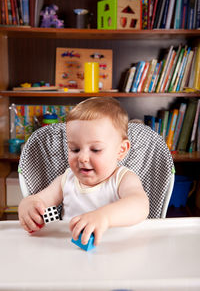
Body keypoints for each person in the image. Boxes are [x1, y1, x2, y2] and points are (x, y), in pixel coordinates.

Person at [18, 97, 149, 246]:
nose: (83, 158)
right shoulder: (67, 180)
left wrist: (104, 217)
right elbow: (40, 201)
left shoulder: (123, 179)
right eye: (74, 149)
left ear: (121, 150)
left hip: (114, 248)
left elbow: (140, 205)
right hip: (69, 250)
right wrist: (28, 205)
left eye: (95, 149)